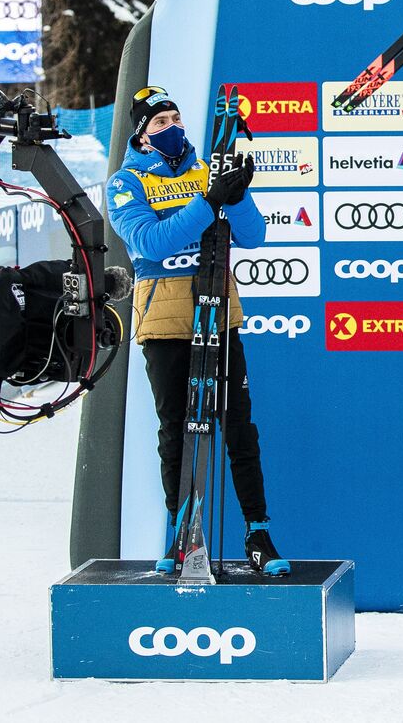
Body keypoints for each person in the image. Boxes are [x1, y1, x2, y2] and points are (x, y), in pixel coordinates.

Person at [107, 85, 289, 576]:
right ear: (142, 134)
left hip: (216, 308)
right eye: (159, 122)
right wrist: (209, 202)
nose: (172, 127)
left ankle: (258, 531)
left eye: (175, 117)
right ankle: (180, 534)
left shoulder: (207, 168)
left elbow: (253, 237)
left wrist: (238, 193)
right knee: (178, 430)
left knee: (238, 425)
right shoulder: (126, 182)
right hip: (164, 317)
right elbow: (152, 243)